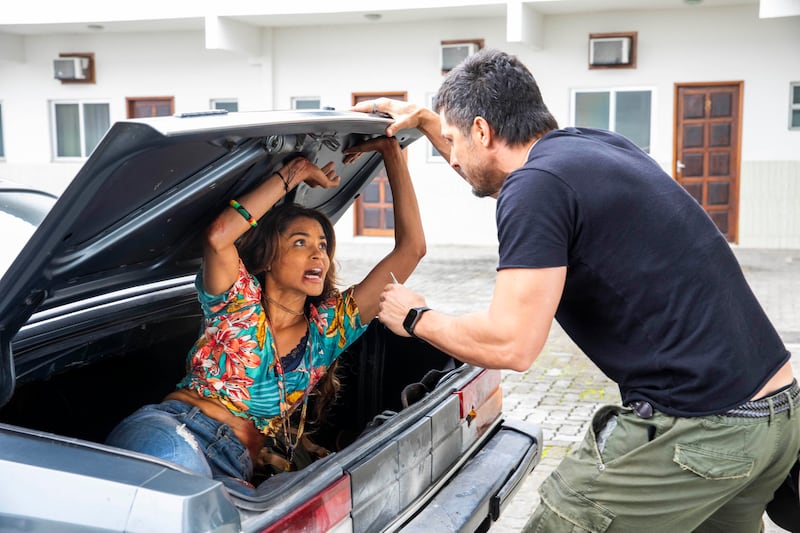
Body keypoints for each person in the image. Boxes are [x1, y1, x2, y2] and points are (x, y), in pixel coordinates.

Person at [352, 48, 799, 532]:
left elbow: (512, 344)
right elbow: (494, 169)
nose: (452, 157)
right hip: (775, 417)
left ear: (482, 131)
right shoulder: (593, 147)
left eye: (455, 140)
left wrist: (416, 317)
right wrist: (424, 120)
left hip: (702, 430)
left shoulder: (537, 187)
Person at [106, 136, 425, 492]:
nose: (318, 254)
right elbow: (218, 236)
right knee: (177, 506)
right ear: (270, 256)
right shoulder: (239, 301)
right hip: (176, 428)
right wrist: (295, 172)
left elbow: (411, 249)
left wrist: (392, 154)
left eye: (323, 245)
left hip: (232, 462)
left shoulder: (329, 330)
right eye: (300, 243)